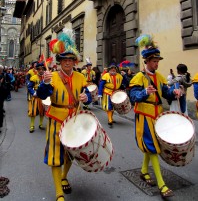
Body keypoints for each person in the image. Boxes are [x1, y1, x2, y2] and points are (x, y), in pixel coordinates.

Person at [36, 28, 91, 201]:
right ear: (59, 61)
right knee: (55, 155)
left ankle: (64, 176)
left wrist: (86, 96)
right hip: (56, 120)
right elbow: (42, 95)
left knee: (70, 154)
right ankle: (59, 193)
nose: (67, 62)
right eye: (64, 59)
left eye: (70, 59)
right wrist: (44, 84)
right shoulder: (51, 76)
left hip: (74, 120)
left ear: (75, 61)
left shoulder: (81, 77)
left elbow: (89, 95)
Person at [129, 34, 182, 198]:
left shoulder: (159, 77)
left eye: (158, 60)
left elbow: (165, 93)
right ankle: (161, 184)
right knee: (153, 148)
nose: (157, 63)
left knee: (152, 146)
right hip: (144, 115)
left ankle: (144, 171)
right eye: (154, 61)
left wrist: (174, 92)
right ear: (147, 61)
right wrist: (144, 92)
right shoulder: (138, 77)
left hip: (158, 116)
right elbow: (133, 97)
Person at [98, 63, 128, 127]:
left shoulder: (119, 76)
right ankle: (110, 119)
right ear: (109, 69)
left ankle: (111, 118)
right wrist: (100, 93)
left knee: (113, 107)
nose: (113, 70)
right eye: (112, 69)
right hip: (108, 92)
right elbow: (101, 85)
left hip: (116, 93)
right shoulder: (106, 75)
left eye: (114, 69)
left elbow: (126, 83)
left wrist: (124, 76)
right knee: (109, 106)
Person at [27, 62, 46, 133]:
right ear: (37, 70)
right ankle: (32, 126)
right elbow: (29, 87)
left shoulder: (45, 78)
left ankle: (41, 124)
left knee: (42, 111)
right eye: (39, 69)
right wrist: (33, 92)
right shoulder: (34, 77)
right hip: (35, 96)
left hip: (43, 97)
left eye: (42, 69)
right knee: (33, 111)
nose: (41, 70)